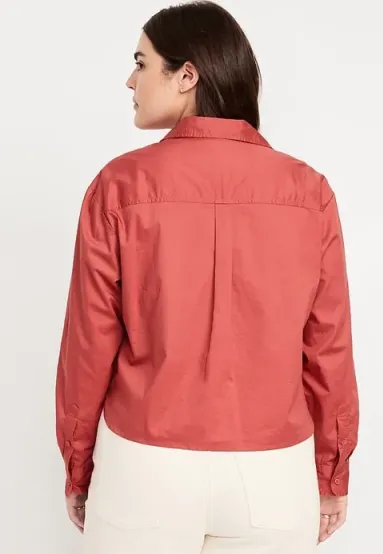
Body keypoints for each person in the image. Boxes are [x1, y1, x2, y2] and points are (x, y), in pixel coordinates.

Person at [55, 1, 359, 553]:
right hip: (272, 474)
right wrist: (332, 471)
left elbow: (88, 346)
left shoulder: (119, 186)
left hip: (143, 467)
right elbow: (328, 347)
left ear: (187, 75)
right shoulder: (308, 191)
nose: (130, 80)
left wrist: (79, 464)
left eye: (142, 63)